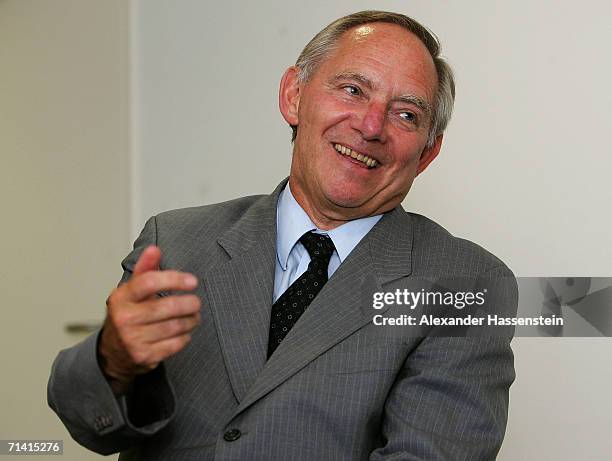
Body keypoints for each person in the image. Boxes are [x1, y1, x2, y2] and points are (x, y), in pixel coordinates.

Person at [48, 10, 517, 460]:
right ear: (294, 95)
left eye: (406, 115)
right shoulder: (175, 241)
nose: (370, 126)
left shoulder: (466, 284)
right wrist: (112, 360)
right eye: (353, 90)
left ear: (428, 152)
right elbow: (84, 421)